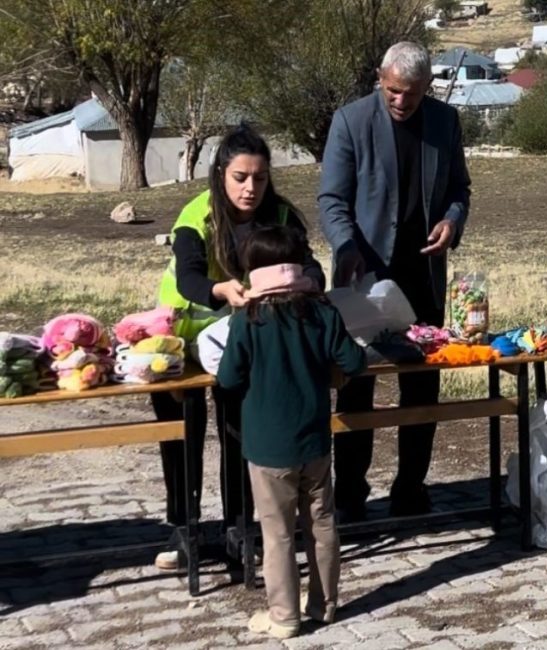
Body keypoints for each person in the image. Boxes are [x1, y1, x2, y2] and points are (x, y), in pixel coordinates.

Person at [153, 124, 326, 570]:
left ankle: (240, 527)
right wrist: (220, 290)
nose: (251, 188)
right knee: (181, 437)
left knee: (239, 431)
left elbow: (313, 270)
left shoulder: (281, 216)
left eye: (261, 178)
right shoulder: (196, 218)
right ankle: (183, 529)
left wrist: (303, 282)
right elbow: (189, 278)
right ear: (220, 175)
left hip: (244, 343)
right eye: (240, 178)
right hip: (185, 340)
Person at [318, 41, 471, 521]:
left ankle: (411, 488)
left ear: (427, 87)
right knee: (356, 382)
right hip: (364, 275)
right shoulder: (350, 121)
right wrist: (347, 250)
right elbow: (331, 201)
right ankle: (350, 493)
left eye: (409, 93)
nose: (400, 101)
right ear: (380, 78)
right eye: (391, 90)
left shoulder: (445, 123)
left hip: (423, 275)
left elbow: (460, 188)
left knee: (422, 387)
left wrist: (452, 220)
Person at [217, 225, 366, 639]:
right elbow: (354, 362)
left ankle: (283, 616)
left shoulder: (247, 321)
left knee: (278, 533)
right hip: (315, 441)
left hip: (267, 448)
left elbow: (228, 378)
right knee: (322, 524)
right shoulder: (322, 312)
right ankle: (324, 605)